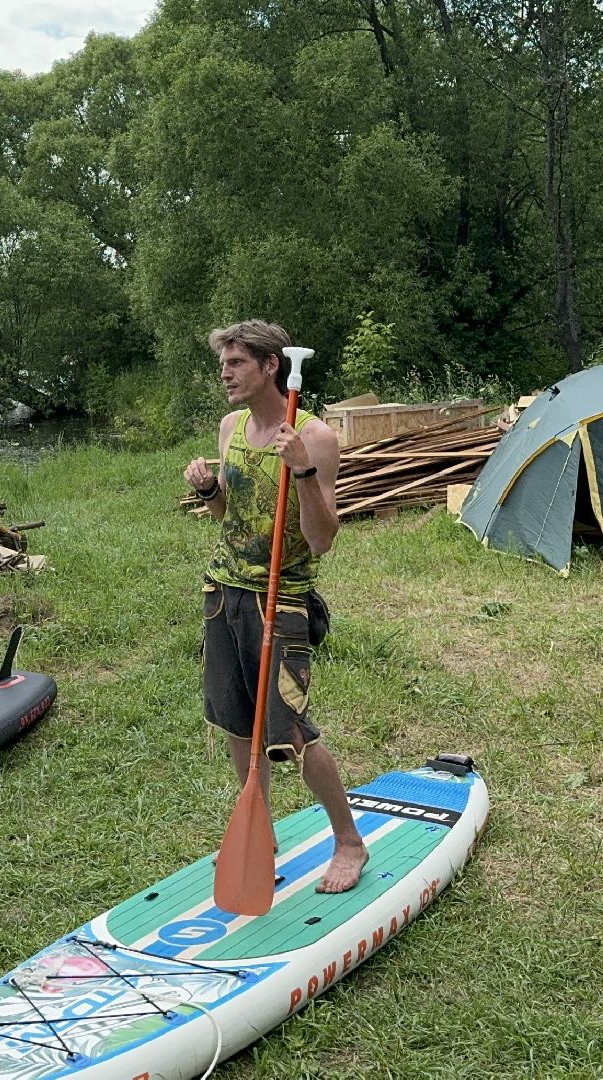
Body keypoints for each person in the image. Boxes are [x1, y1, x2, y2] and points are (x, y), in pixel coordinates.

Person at [182, 320, 366, 894]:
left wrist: (302, 472)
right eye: (223, 364)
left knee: (290, 731)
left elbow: (322, 538)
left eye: (236, 363)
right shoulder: (230, 428)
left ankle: (349, 842)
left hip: (280, 600)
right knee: (238, 726)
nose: (226, 374)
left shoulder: (314, 437)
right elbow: (229, 519)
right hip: (225, 593)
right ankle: (260, 834)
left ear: (270, 366)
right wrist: (211, 493)